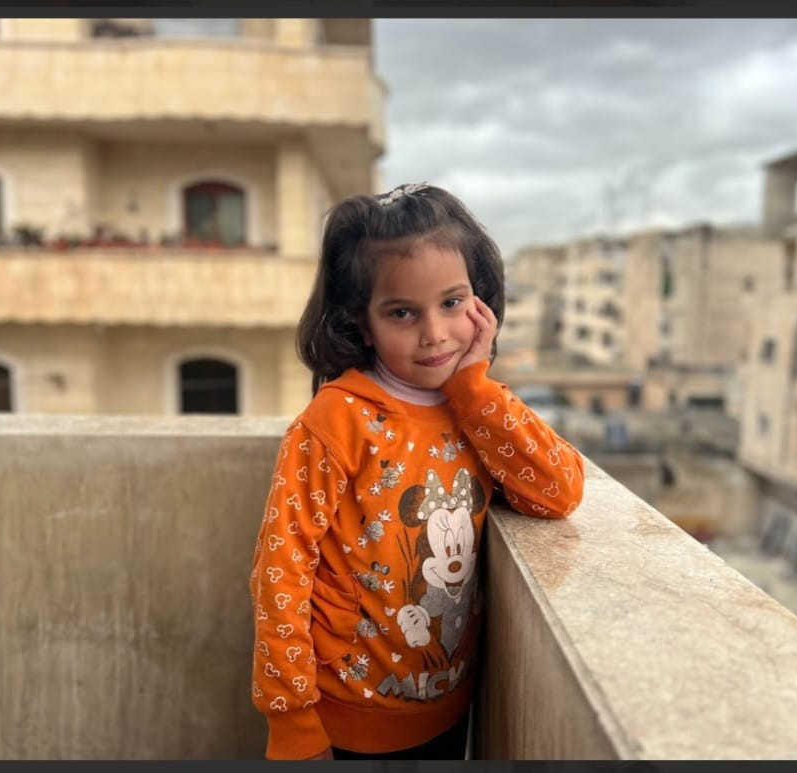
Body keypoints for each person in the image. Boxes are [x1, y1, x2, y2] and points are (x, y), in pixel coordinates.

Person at [249, 183, 585, 760]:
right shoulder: (335, 420)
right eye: (402, 312)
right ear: (362, 322)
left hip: (450, 707)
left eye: (452, 303)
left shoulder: (477, 408)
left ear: (481, 303)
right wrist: (293, 722)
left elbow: (559, 491)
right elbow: (280, 570)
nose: (434, 333)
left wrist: (475, 387)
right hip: (346, 718)